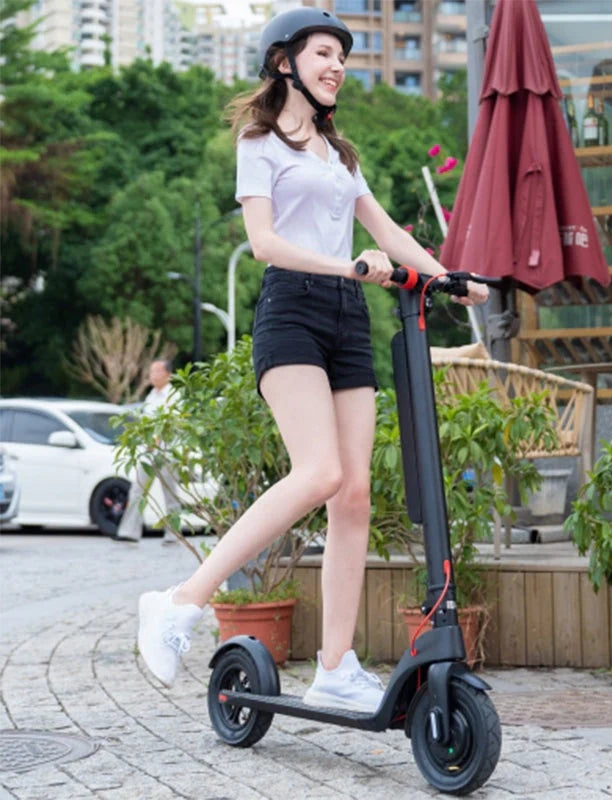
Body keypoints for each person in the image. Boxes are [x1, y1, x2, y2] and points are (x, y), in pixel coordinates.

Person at [135, 7, 488, 711]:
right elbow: (264, 243)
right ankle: (180, 599)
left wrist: (451, 277)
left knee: (353, 492)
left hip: (347, 318)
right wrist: (345, 266)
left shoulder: (341, 155)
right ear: (283, 62)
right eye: (325, 53)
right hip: (291, 310)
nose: (337, 67)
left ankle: (334, 666)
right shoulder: (259, 141)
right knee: (319, 472)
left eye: (344, 58)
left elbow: (384, 229)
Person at [114, 357, 182, 544]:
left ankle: (173, 535)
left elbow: (172, 422)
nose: (152, 375)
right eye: (151, 372)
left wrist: (157, 438)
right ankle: (129, 532)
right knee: (137, 490)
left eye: (157, 371)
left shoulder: (174, 395)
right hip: (148, 453)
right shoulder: (151, 396)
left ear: (168, 374)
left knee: (171, 495)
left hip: (168, 453)